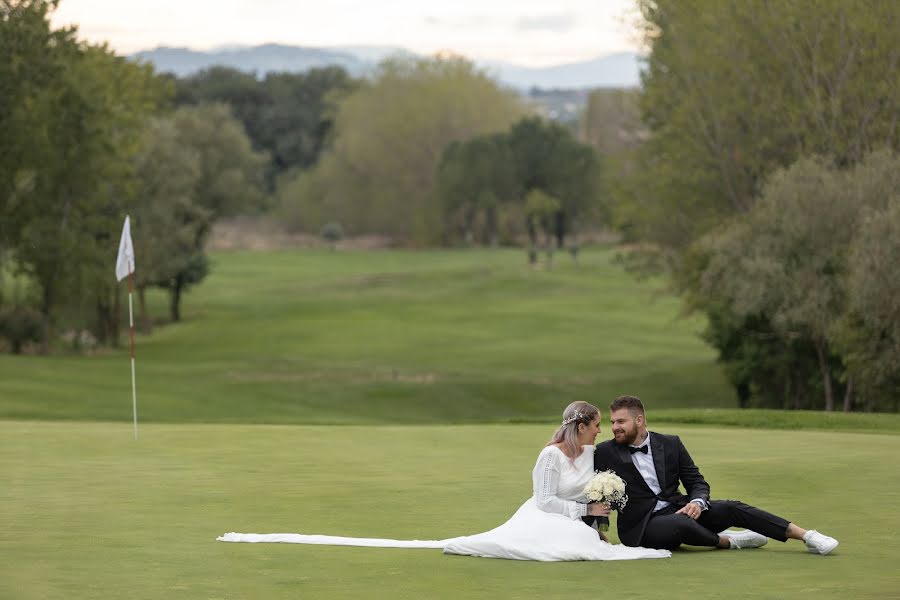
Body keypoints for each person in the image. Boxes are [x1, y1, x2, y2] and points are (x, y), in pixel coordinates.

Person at [219, 401, 671, 561]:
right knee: (563, 549)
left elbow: (598, 481)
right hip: (549, 515)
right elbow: (545, 499)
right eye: (595, 426)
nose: (600, 432)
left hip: (579, 517)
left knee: (585, 547)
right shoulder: (548, 456)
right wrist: (581, 511)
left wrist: (602, 504)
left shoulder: (591, 452)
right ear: (581, 425)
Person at [594, 395, 839, 555]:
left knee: (732, 508)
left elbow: (696, 481)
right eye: (613, 421)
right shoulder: (605, 451)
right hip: (642, 527)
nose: (614, 427)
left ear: (639, 420)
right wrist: (595, 531)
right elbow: (589, 490)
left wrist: (697, 502)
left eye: (620, 421)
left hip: (679, 508)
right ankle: (729, 541)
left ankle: (807, 535)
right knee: (682, 524)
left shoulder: (670, 444)